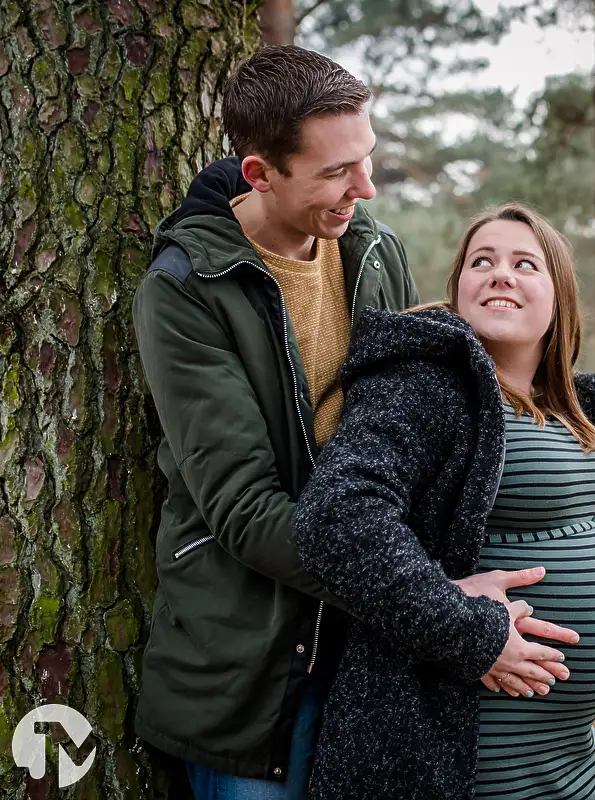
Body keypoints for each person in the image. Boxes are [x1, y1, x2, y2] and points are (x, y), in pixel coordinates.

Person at [131, 45, 418, 799]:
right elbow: (246, 509)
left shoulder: (377, 251)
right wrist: (416, 587)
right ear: (260, 173)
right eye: (335, 172)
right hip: (249, 669)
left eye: (366, 158)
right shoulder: (186, 290)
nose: (367, 186)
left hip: (371, 650)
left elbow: (412, 428)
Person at [293, 203, 595, 799]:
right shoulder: (426, 380)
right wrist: (467, 633)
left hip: (567, 753)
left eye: (524, 263)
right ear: (458, 292)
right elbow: (338, 516)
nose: (500, 273)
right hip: (466, 752)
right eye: (482, 261)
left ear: (558, 299)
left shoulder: (561, 403)